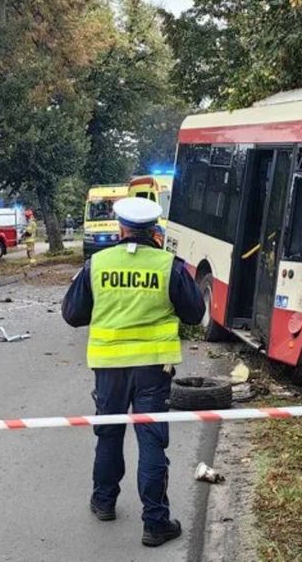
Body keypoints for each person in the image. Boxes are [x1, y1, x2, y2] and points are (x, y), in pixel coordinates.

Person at [60, 197, 205, 548]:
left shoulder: (97, 264)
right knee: (151, 440)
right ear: (154, 230)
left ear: (121, 228)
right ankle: (155, 522)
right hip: (154, 367)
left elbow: (73, 314)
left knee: (109, 433)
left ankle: (104, 501)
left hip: (109, 367)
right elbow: (195, 312)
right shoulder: (169, 266)